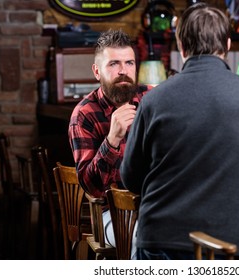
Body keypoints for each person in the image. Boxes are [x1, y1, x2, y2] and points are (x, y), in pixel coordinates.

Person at [120, 3, 239, 260]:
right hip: (223, 245)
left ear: (181, 46)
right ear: (228, 45)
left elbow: (130, 178)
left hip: (158, 238)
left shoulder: (153, 100)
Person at [68, 29, 150, 258]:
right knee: (145, 236)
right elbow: (90, 188)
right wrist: (112, 139)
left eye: (129, 63)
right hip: (110, 214)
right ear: (97, 71)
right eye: (114, 63)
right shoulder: (84, 114)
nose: (123, 71)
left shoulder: (152, 99)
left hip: (155, 204)